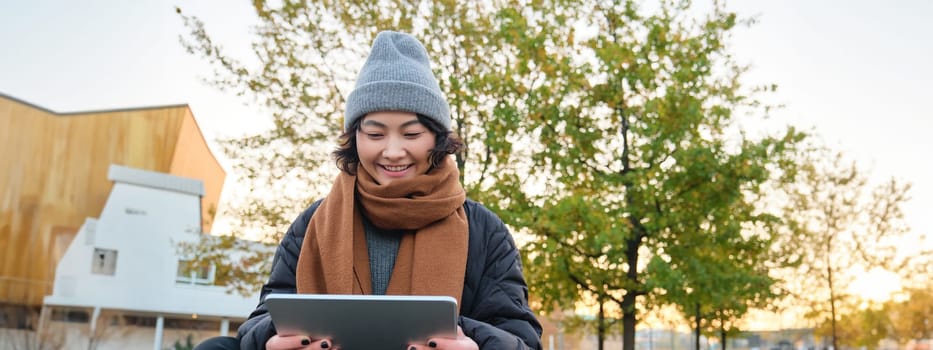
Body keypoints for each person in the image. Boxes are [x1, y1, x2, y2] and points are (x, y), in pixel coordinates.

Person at [195, 30, 542, 350]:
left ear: (438, 138)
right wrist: (273, 338)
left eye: (411, 134)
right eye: (375, 134)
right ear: (354, 138)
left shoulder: (485, 230)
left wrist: (470, 341)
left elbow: (521, 338)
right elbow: (262, 318)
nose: (392, 151)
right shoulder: (313, 222)